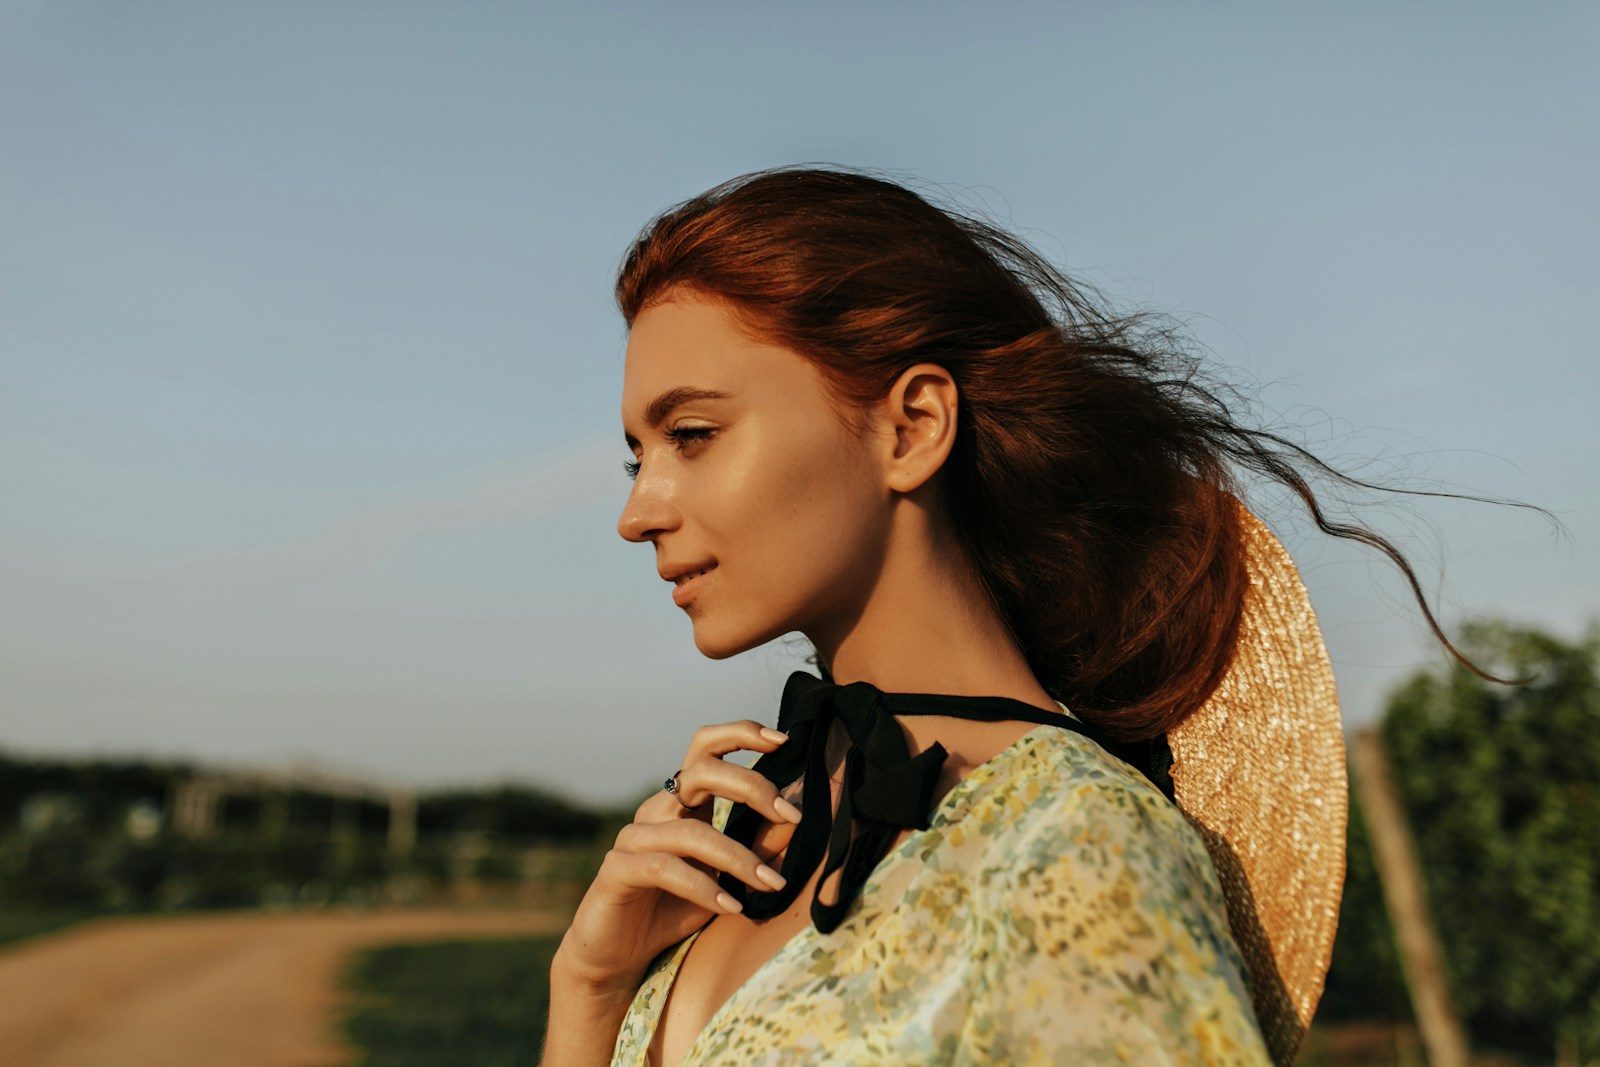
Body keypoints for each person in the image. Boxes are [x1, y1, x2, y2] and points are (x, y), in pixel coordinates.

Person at [539, 166, 1532, 1066]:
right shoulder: (755, 828)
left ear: (911, 427)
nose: (637, 511)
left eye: (691, 434)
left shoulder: (1073, 847)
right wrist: (588, 990)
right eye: (638, 456)